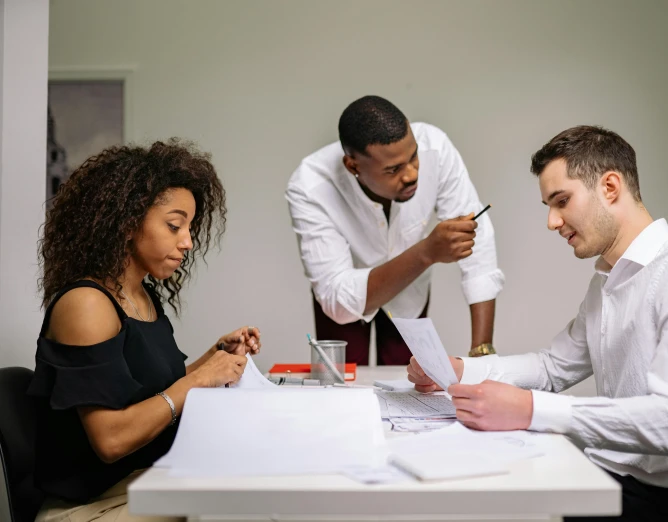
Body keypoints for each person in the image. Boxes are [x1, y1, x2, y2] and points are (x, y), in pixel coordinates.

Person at [407, 126, 668, 522]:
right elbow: (553, 367)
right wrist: (462, 369)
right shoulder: (607, 280)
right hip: (617, 479)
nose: (553, 222)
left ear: (609, 186)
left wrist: (531, 409)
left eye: (562, 201)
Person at [29, 140, 260, 522]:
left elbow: (150, 392)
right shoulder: (86, 304)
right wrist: (200, 379)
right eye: (174, 226)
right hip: (96, 506)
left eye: (189, 227)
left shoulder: (141, 296)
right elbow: (112, 439)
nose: (187, 242)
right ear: (127, 222)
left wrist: (217, 355)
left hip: (150, 481)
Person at [286, 95, 504, 365]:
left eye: (413, 157)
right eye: (393, 169)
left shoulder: (435, 146)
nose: (412, 174)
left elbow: (477, 243)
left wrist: (482, 352)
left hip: (411, 293)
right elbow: (338, 301)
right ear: (353, 165)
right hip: (347, 297)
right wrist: (426, 252)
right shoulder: (310, 185)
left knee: (410, 385)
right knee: (341, 387)